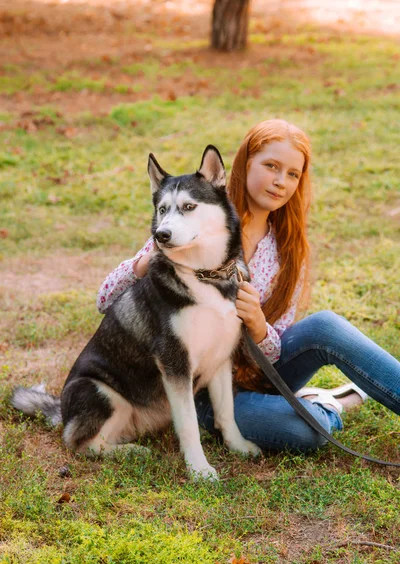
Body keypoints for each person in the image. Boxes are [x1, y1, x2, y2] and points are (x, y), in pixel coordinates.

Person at [96, 119, 400, 452]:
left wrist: (258, 325)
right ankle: (326, 405)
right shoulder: (199, 217)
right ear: (245, 163)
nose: (280, 181)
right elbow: (106, 299)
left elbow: (276, 348)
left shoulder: (286, 248)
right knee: (306, 432)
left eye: (292, 174)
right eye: (271, 166)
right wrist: (146, 260)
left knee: (326, 326)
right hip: (204, 384)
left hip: (258, 367)